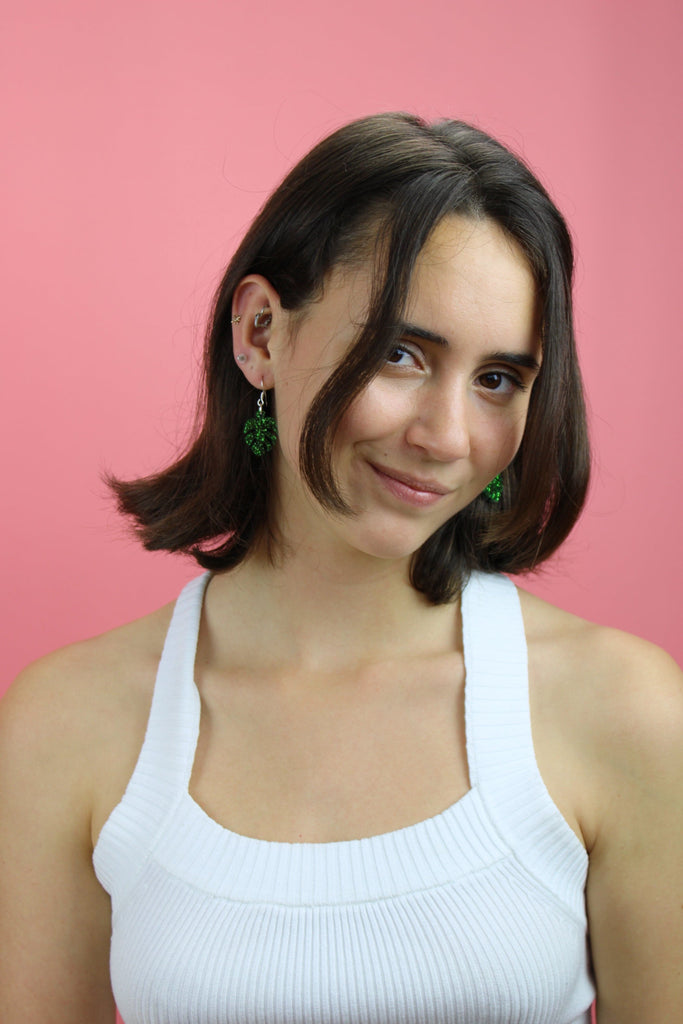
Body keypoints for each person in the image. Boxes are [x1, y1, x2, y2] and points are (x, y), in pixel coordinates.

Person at [1, 113, 681, 1024]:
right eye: (401, 354)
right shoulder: (63, 725)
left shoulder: (625, 713)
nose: (445, 438)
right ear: (259, 333)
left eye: (497, 381)